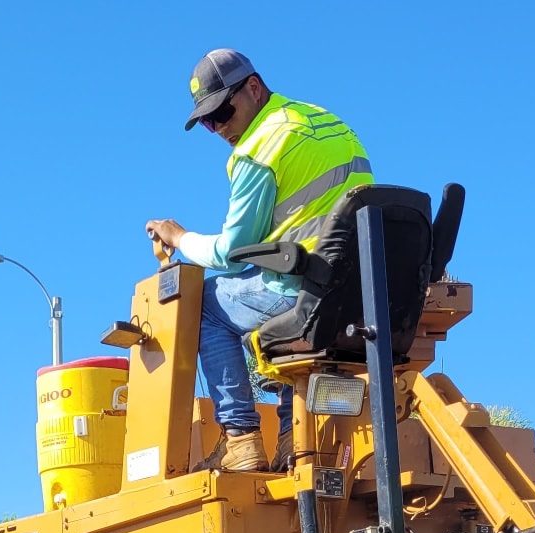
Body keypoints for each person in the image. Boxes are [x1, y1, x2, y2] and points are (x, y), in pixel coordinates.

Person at [143, 49, 371, 474]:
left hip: (309, 286)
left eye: (223, 112)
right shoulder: (325, 121)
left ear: (253, 87)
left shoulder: (260, 149)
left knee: (206, 304)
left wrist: (179, 236)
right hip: (359, 287)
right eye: (208, 122)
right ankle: (291, 436)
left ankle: (240, 437)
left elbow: (230, 254)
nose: (219, 128)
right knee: (274, 295)